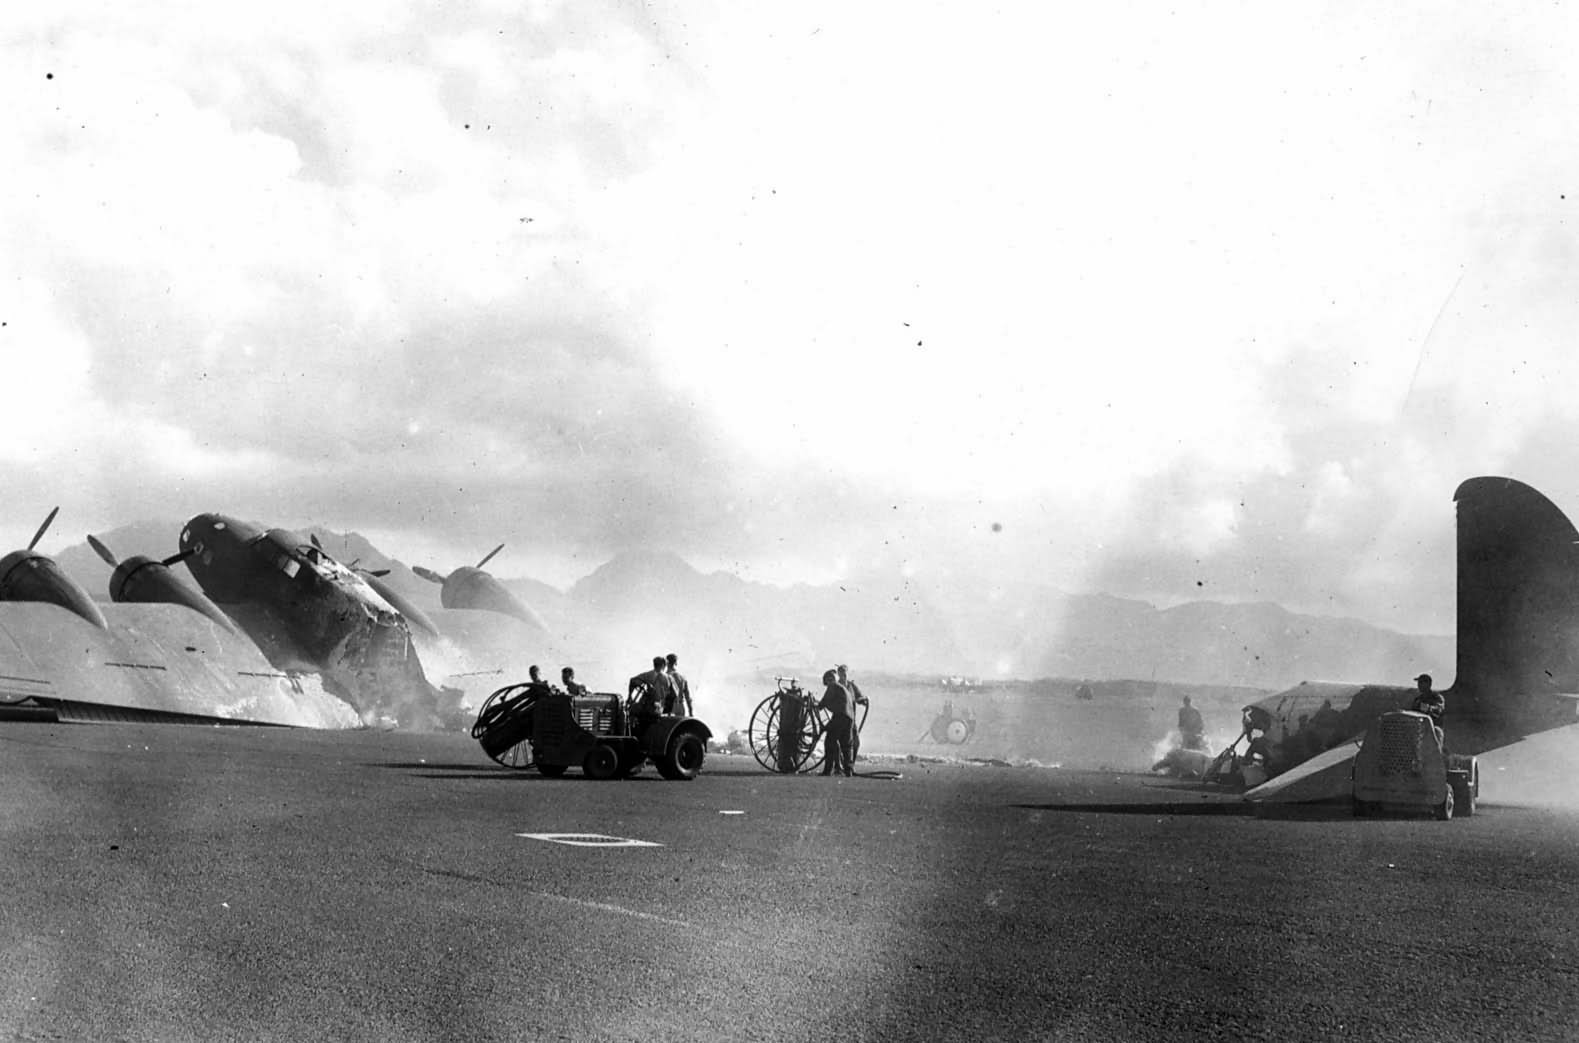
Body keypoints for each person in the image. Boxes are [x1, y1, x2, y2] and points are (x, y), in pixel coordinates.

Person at [817, 668, 854, 777]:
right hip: (849, 717)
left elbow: (824, 701)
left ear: (829, 679)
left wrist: (817, 706)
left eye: (827, 682)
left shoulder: (833, 686)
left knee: (829, 742)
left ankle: (827, 771)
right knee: (846, 745)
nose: (827, 685)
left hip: (840, 716)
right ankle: (849, 771)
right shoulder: (843, 688)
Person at [628, 656, 672, 734]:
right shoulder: (667, 678)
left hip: (645, 707)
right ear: (663, 665)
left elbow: (632, 681)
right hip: (658, 709)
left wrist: (630, 697)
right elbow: (672, 694)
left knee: (630, 712)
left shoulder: (648, 675)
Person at [836, 664, 867, 762]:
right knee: (839, 744)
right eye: (842, 673)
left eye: (845, 673)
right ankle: (839, 766)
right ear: (838, 674)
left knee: (856, 742)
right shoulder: (836, 687)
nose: (844, 675)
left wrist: (864, 701)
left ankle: (850, 763)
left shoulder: (852, 686)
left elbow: (859, 697)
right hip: (839, 720)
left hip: (851, 720)